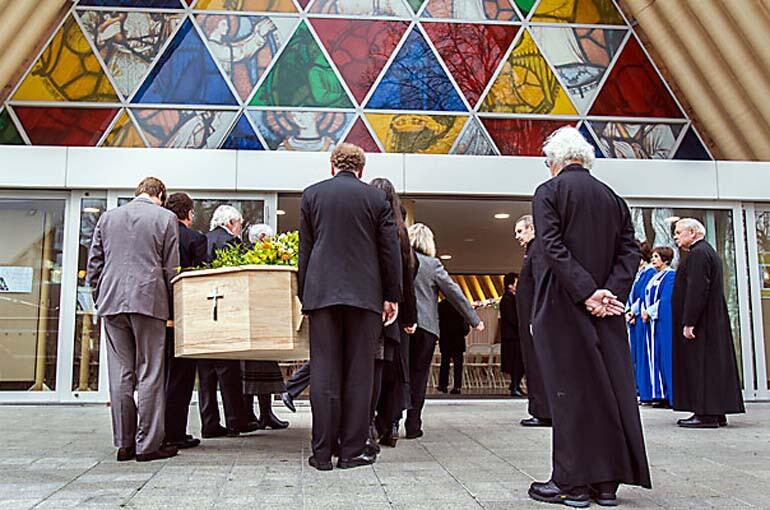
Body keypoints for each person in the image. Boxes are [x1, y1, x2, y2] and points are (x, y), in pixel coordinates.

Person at [528, 126, 651, 507]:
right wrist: (608, 292)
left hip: (564, 307)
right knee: (608, 392)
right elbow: (630, 252)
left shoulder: (548, 193)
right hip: (607, 311)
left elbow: (551, 246)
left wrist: (586, 292)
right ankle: (606, 484)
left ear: (556, 161)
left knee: (569, 395)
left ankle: (573, 484)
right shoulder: (614, 199)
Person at [299, 143, 402, 471]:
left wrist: (306, 296)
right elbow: (390, 251)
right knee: (360, 374)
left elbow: (306, 249)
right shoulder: (376, 199)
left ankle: (321, 453)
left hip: (322, 295)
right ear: (362, 169)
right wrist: (392, 295)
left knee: (325, 372)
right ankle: (352, 451)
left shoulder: (311, 195)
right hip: (364, 296)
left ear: (332, 166)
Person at [86, 177, 179, 462]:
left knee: (121, 373)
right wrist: (174, 308)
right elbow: (172, 267)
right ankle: (148, 445)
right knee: (150, 371)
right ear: (159, 195)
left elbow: (94, 263)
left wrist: (98, 295)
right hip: (149, 300)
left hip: (112, 302)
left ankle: (124, 443)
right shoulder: (166, 218)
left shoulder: (108, 217)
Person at [406, 223, 483, 439]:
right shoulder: (432, 265)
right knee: (419, 377)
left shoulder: (401, 263)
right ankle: (413, 425)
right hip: (427, 329)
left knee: (398, 375)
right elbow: (454, 293)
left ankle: (390, 423)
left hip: (402, 326)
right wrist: (474, 319)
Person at [671, 218, 745, 428]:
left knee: (701, 365)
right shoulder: (706, 252)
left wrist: (689, 321)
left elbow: (697, 289)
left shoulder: (698, 254)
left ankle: (705, 413)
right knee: (712, 366)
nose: (676, 236)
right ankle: (716, 410)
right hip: (710, 320)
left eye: (679, 232)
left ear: (693, 232)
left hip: (702, 323)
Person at [197, 205, 258, 438]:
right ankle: (236, 420)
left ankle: (209, 422)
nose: (239, 229)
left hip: (203, 312)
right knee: (228, 369)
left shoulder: (203, 240)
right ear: (232, 222)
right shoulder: (231, 242)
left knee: (206, 372)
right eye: (240, 224)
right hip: (226, 311)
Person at [369, 179, 419, 451]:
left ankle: (371, 424)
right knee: (395, 372)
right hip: (397, 314)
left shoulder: (371, 229)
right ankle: (391, 424)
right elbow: (406, 281)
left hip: (375, 310)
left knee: (374, 369)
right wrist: (410, 317)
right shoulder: (402, 233)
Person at [163, 192, 207, 450]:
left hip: (158, 312)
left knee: (159, 376)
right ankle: (175, 432)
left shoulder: (160, 235)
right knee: (181, 377)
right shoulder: (195, 239)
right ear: (189, 213)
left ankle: (157, 429)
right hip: (185, 316)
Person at [241, 223, 289, 430]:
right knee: (251, 371)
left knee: (262, 369)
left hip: (263, 322)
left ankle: (265, 414)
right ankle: (254, 415)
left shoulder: (267, 257)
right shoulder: (251, 259)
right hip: (254, 321)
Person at [514, 214, 551, 427]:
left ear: (532, 229)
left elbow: (539, 286)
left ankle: (542, 411)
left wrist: (535, 319)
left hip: (534, 319)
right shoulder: (533, 251)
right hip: (531, 318)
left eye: (520, 231)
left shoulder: (537, 251)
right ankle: (540, 409)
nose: (517, 236)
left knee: (537, 365)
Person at [639, 246, 676, 407]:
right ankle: (658, 393)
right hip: (650, 324)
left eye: (656, 257)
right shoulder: (654, 277)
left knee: (664, 355)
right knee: (654, 357)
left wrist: (650, 311)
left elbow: (666, 299)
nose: (653, 259)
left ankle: (668, 394)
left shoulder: (670, 276)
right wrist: (641, 310)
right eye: (653, 257)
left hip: (661, 322)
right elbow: (643, 296)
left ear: (665, 259)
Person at [626, 241, 656, 400]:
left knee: (642, 353)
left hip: (639, 317)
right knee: (635, 353)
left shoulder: (649, 273)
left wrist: (633, 311)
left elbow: (643, 296)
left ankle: (644, 390)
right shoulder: (639, 274)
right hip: (633, 318)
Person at [437, 299, 469, 395]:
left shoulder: (441, 305)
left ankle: (443, 385)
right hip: (458, 339)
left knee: (445, 363)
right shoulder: (460, 304)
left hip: (445, 338)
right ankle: (457, 386)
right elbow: (465, 324)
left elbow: (438, 321)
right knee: (458, 365)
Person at [499, 272, 524, 397]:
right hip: (512, 337)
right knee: (516, 362)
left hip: (514, 336)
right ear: (510, 285)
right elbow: (512, 318)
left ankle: (516, 385)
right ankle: (515, 386)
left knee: (518, 362)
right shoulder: (507, 299)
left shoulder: (512, 298)